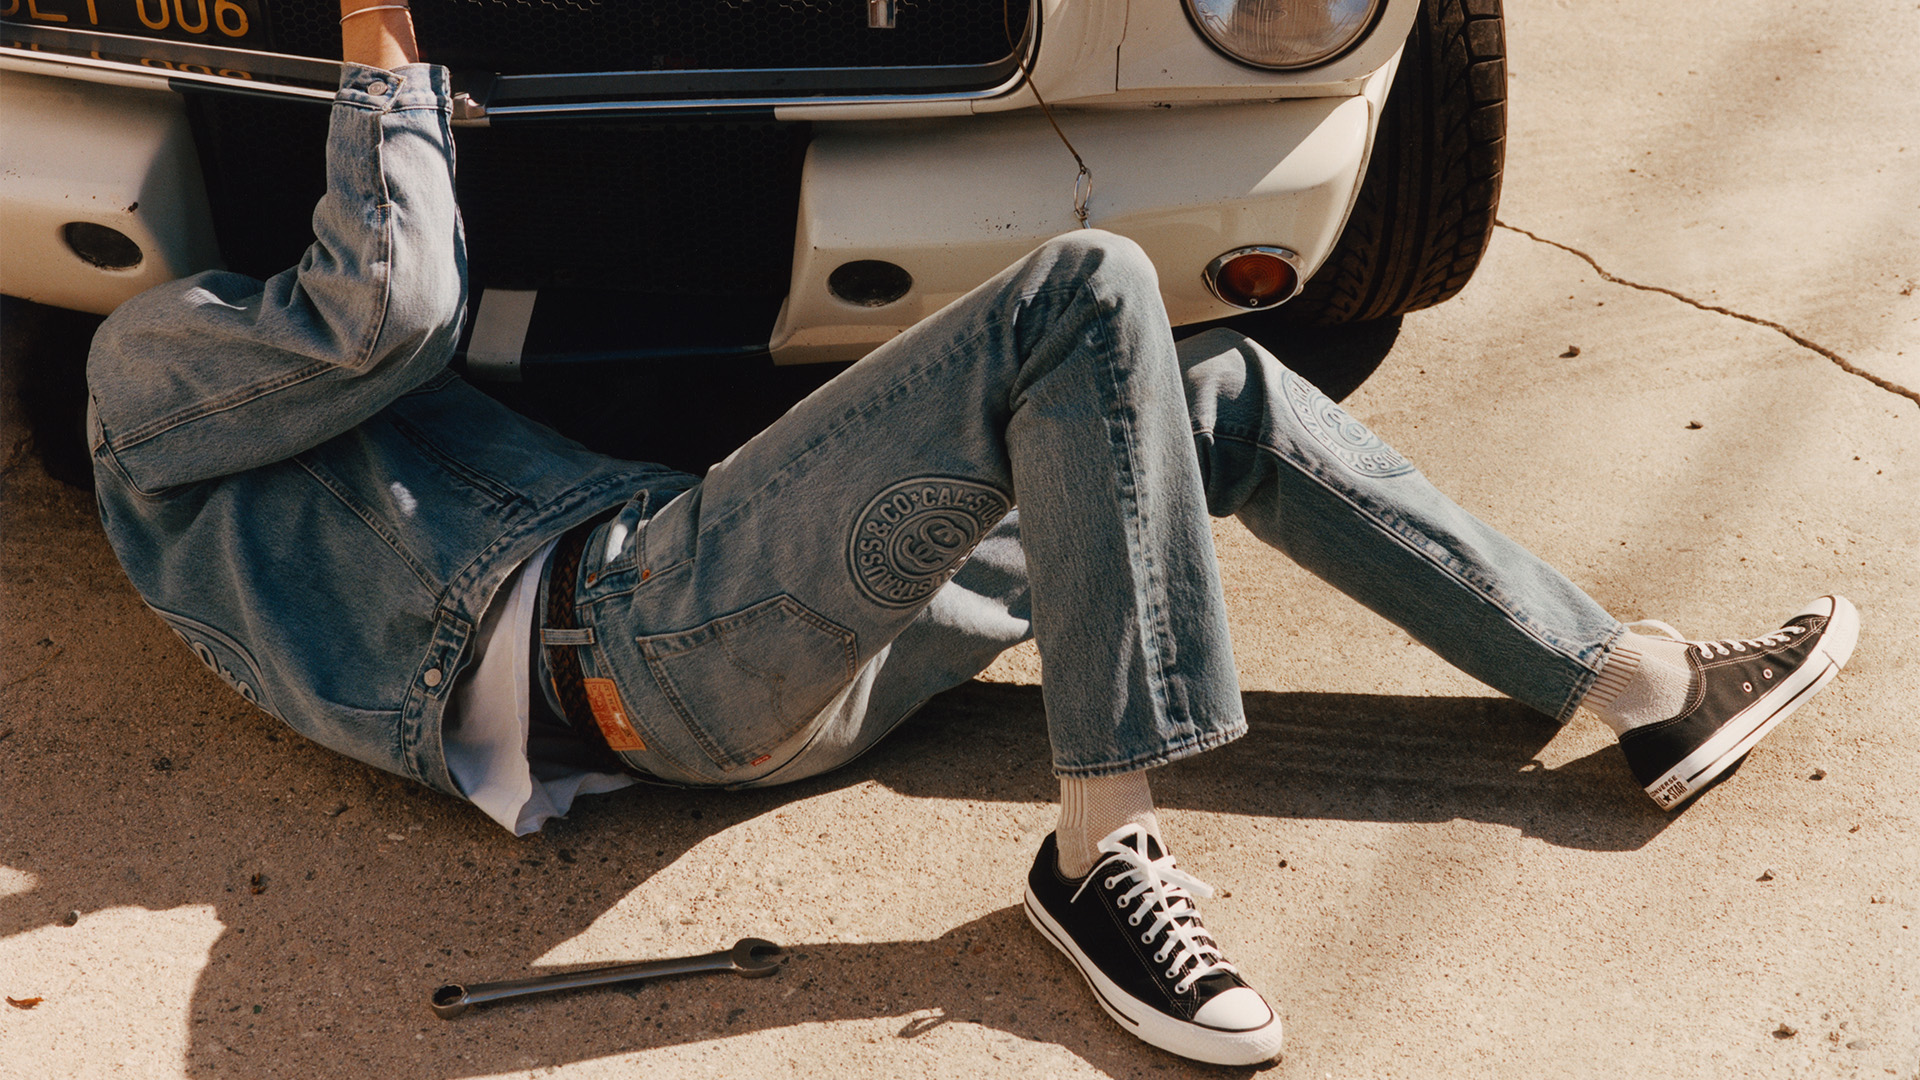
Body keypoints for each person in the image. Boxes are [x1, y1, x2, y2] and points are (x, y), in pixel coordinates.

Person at [83, 5, 1859, 1067]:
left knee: (1202, 385)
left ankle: (1634, 686)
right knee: (1081, 290)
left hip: (754, 652)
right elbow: (390, 301)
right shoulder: (140, 371)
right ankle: (1100, 861)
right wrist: (382, 54)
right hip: (643, 655)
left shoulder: (257, 434)